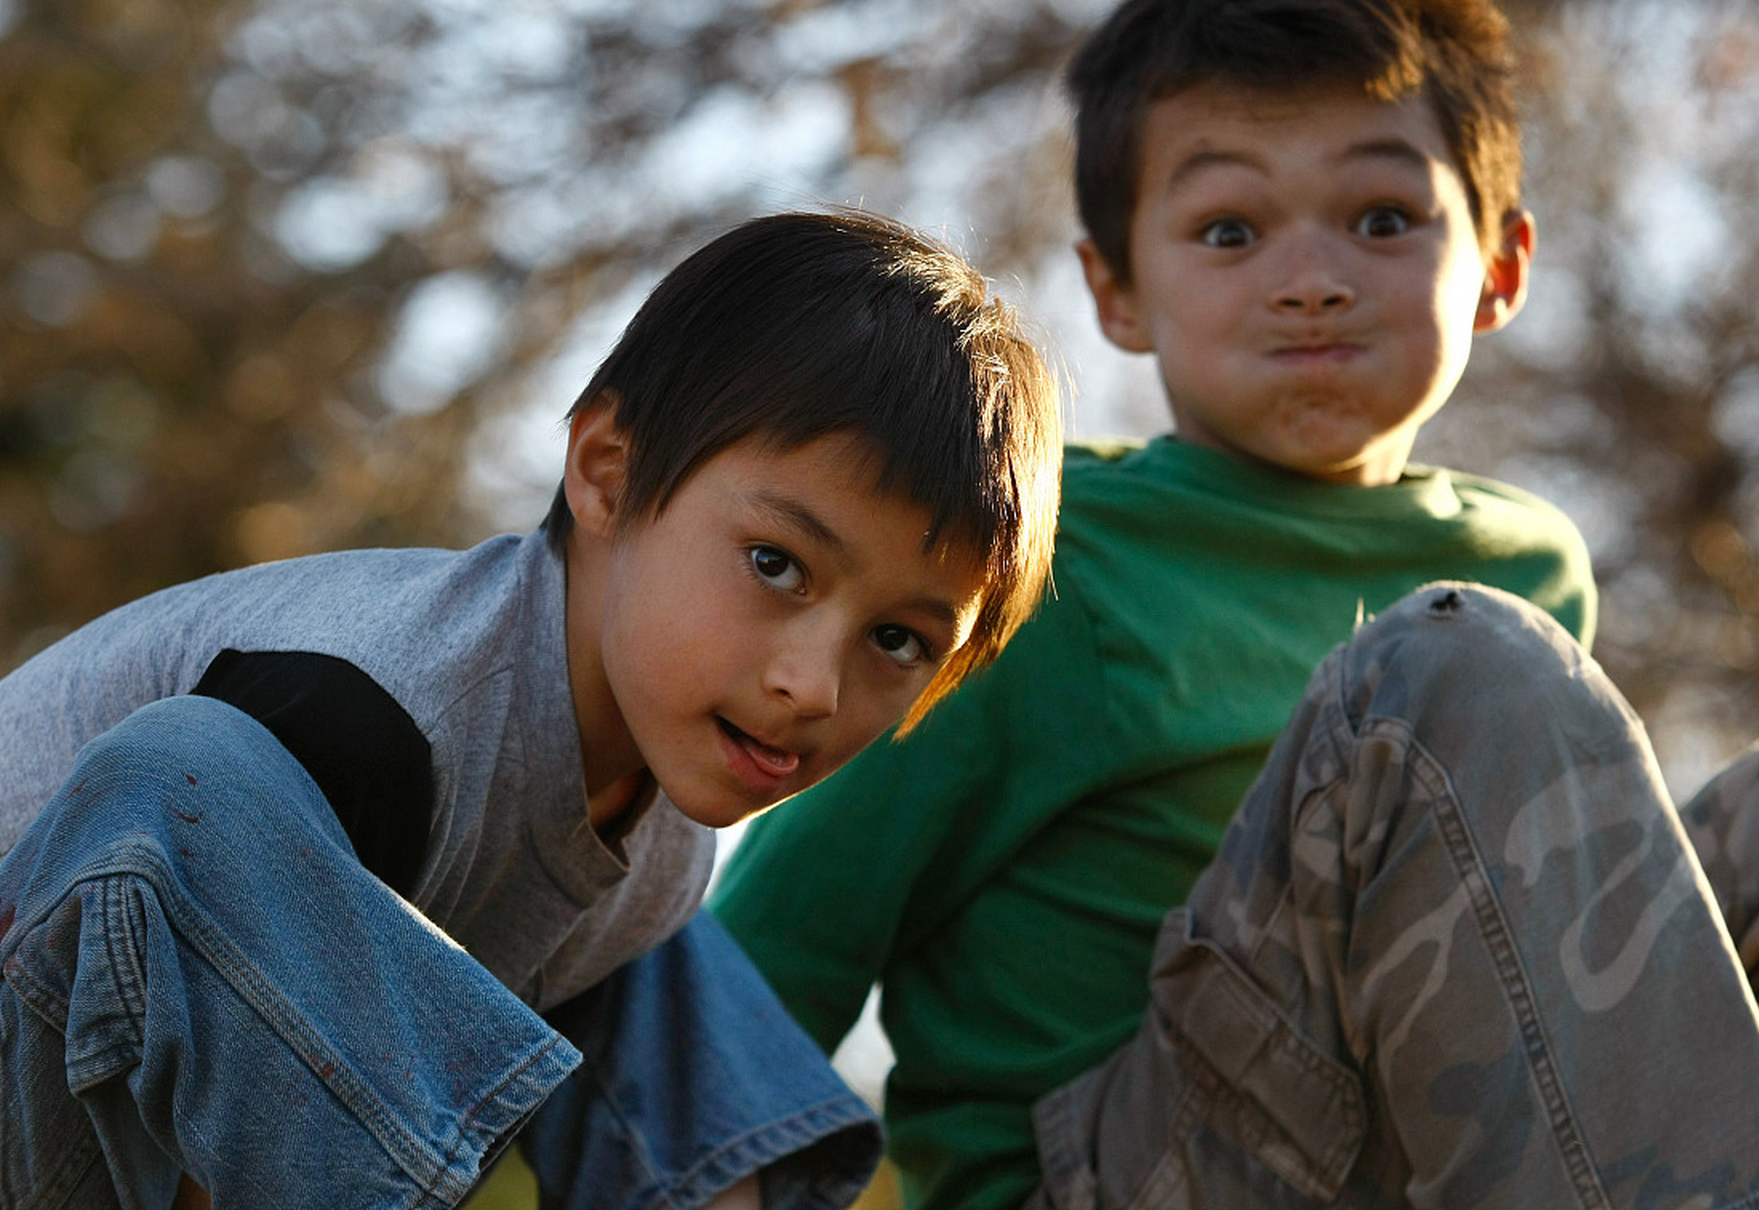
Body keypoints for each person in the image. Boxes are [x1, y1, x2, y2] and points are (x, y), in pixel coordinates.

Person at [710, 0, 1759, 1209]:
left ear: (1501, 265)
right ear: (1117, 288)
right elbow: (777, 940)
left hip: (1415, 1153)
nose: (1313, 281)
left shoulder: (1528, 568)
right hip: (1114, 1178)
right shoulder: (1037, 565)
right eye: (1230, 228)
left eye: (1382, 218)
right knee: (1454, 656)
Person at [0, 209, 1063, 1210]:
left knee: (658, 933)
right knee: (188, 776)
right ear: (608, 471)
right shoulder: (376, 708)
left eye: (898, 640)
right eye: (776, 563)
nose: (812, 686)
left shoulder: (668, 808)